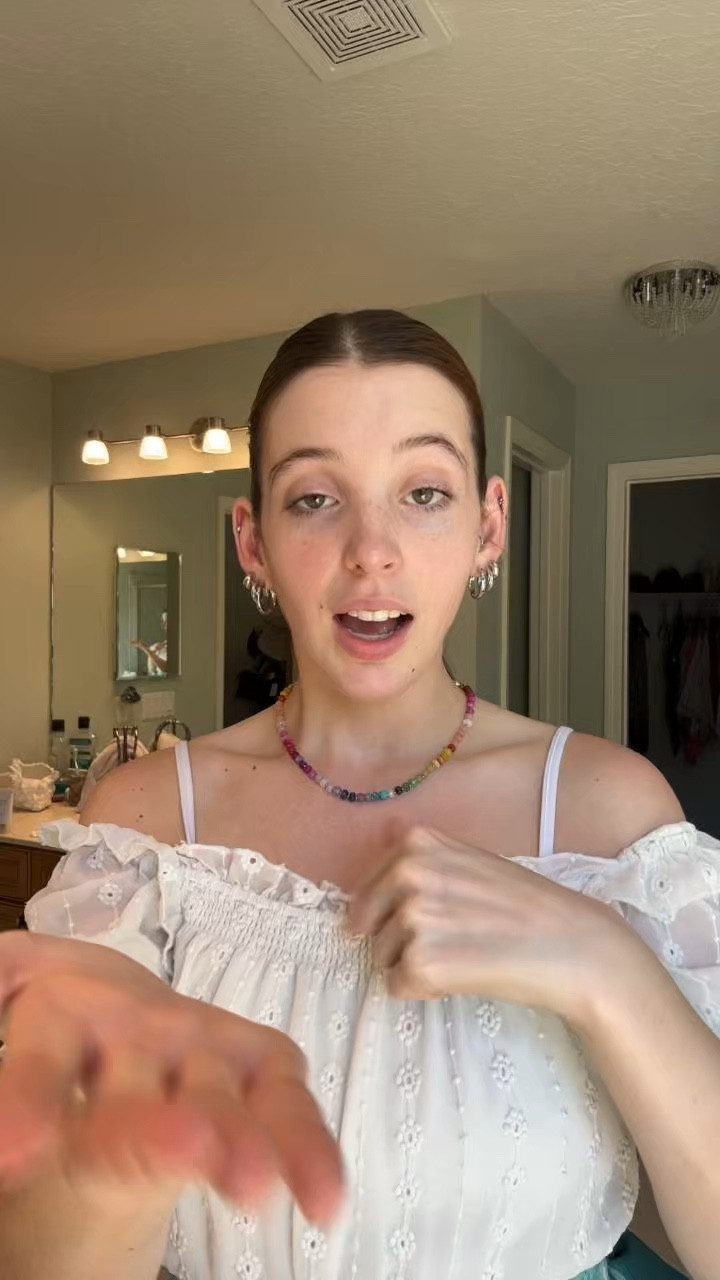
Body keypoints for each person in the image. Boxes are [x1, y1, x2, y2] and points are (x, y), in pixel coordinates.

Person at [1, 310, 719, 1280]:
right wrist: (121, 1148)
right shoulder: (142, 826)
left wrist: (604, 964)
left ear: (488, 525)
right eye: (313, 499)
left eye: (423, 492)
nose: (371, 551)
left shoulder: (608, 813)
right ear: (252, 540)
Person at [132, 609, 169, 675]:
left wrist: (146, 650)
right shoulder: (160, 645)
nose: (164, 625)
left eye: (167, 621)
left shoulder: (182, 643)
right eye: (163, 621)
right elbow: (152, 674)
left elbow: (167, 668)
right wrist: (150, 651)